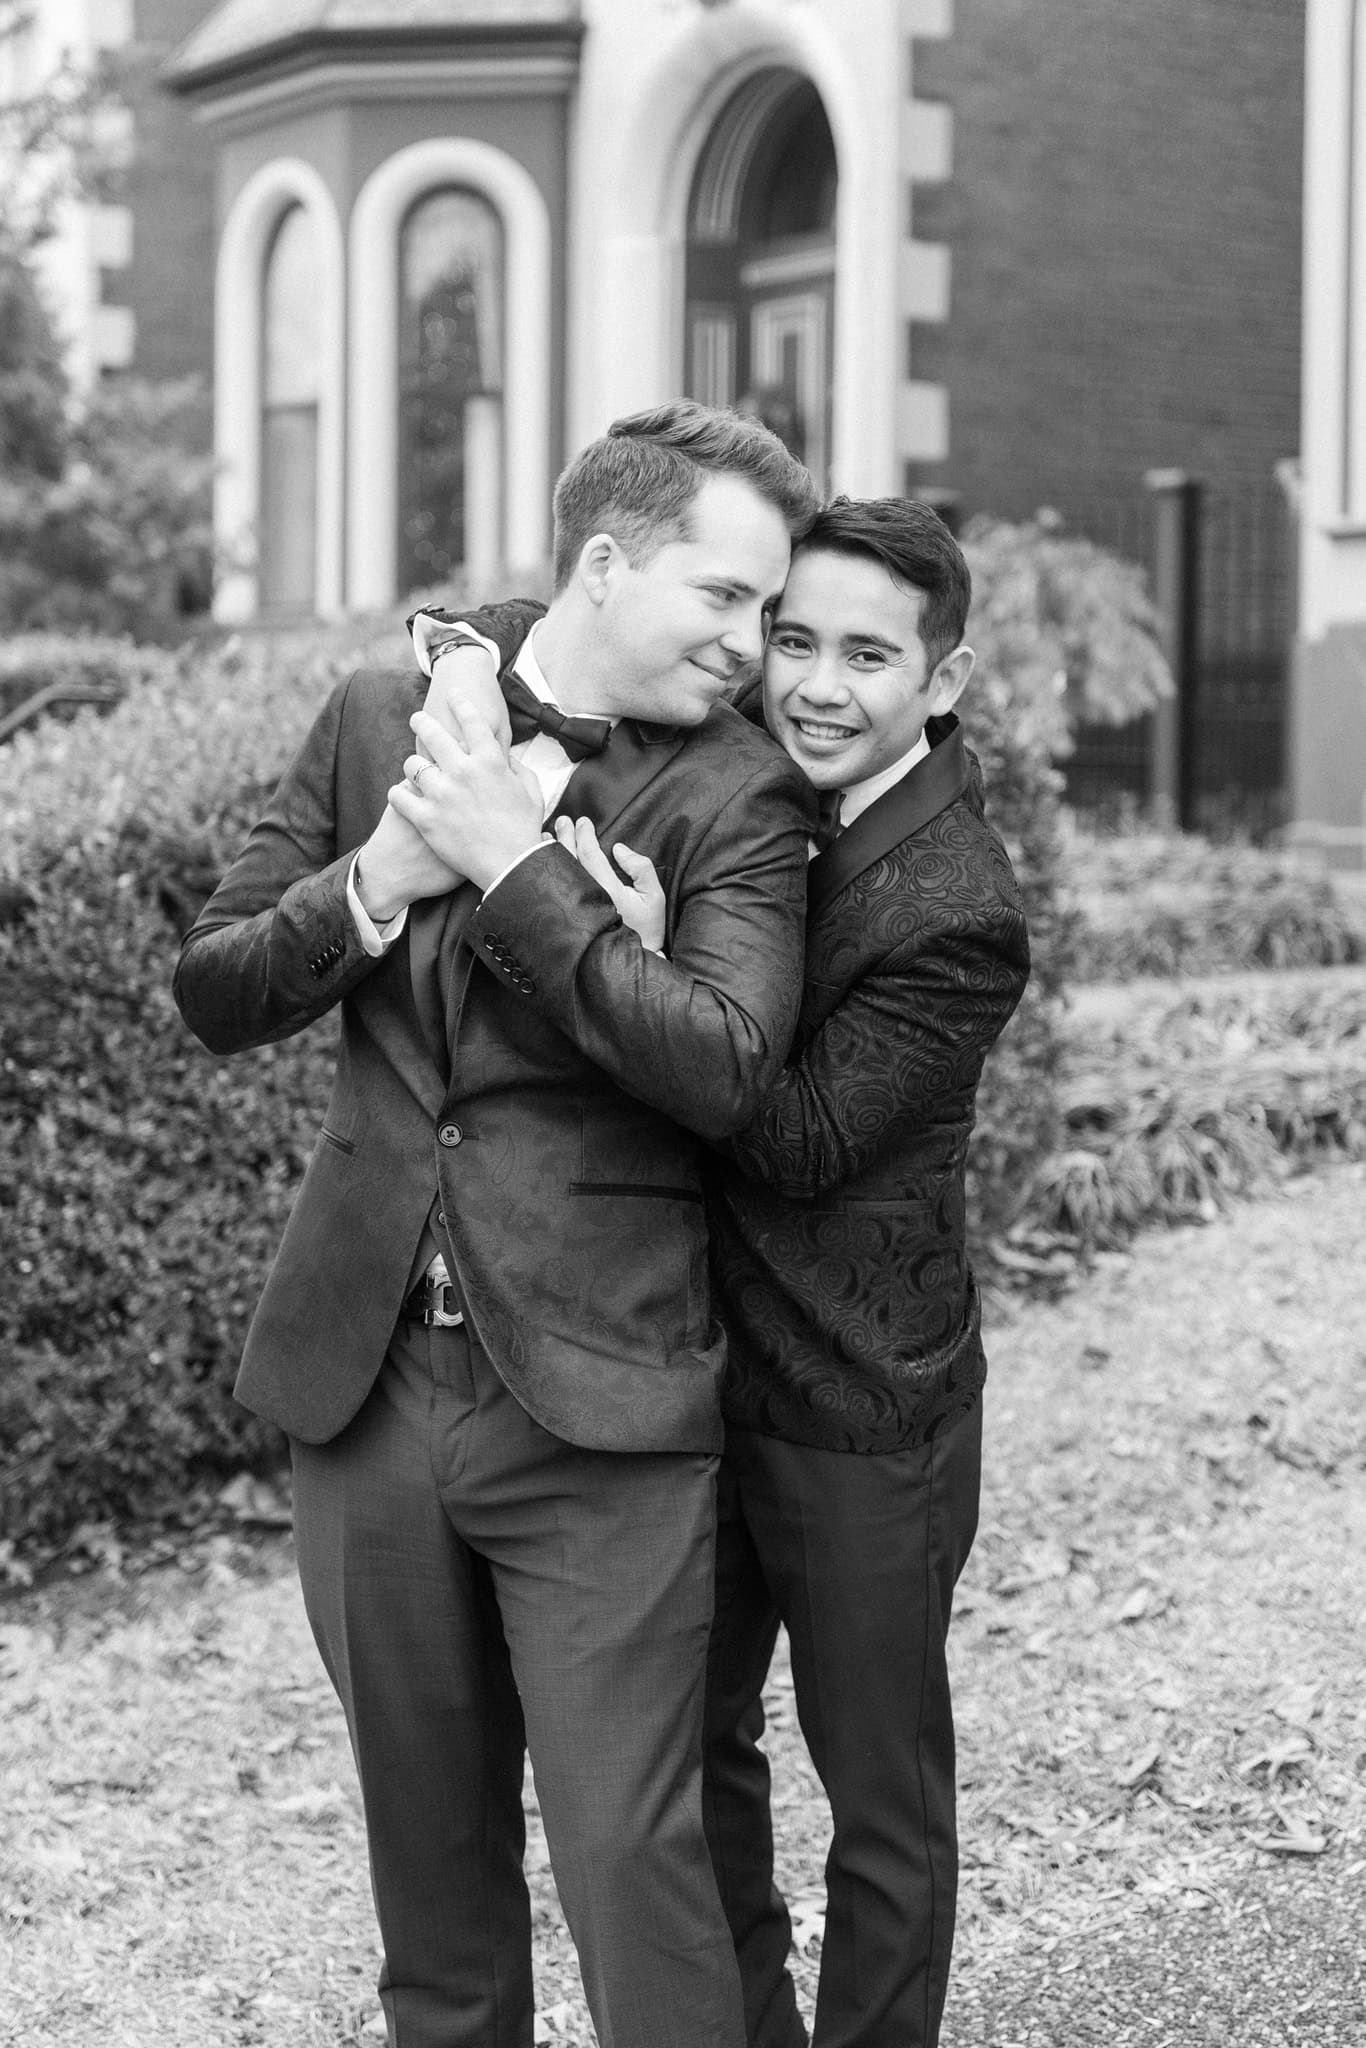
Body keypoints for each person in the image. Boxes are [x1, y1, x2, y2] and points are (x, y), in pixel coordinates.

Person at [172, 401, 820, 2048]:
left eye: (764, 609)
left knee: (634, 1871)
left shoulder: (740, 800)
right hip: (367, 1391)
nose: (753, 646)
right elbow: (216, 983)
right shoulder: (381, 712)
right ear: (606, 561)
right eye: (724, 596)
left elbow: (729, 1071)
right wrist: (382, 873)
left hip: (599, 1408)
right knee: (432, 1892)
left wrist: (516, 871)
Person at [435, 495, 1029, 2048]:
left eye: (869, 655)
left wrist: (641, 979)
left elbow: (810, 1138)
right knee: (694, 1765)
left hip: (856, 1408)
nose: (819, 682)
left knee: (880, 1795)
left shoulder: (956, 905)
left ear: (941, 681)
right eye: (794, 639)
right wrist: (455, 650)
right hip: (690, 1385)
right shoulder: (731, 786)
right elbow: (562, 629)